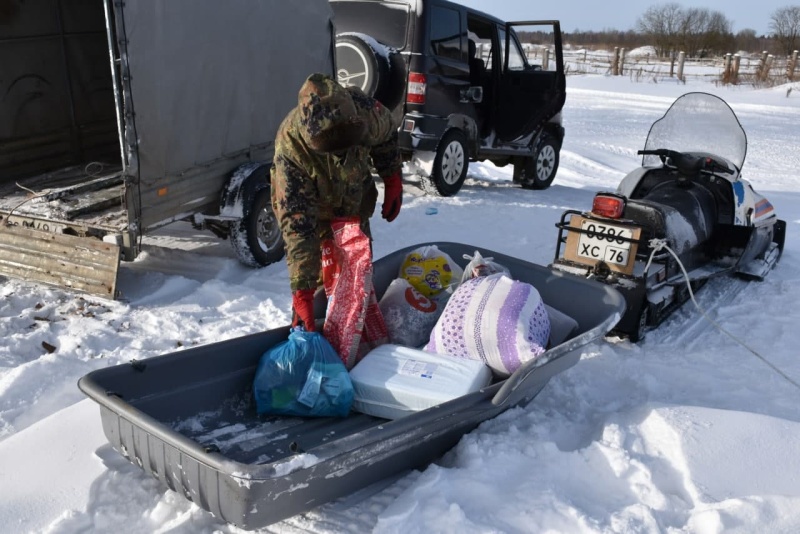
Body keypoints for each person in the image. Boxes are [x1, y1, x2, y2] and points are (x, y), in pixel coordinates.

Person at [271, 72, 403, 331]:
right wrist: (302, 291)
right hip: (317, 216)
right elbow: (298, 224)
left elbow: (387, 135)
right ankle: (319, 336)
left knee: (358, 282)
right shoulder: (291, 148)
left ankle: (355, 336)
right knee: (325, 288)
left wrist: (392, 177)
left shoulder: (364, 113)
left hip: (355, 209)